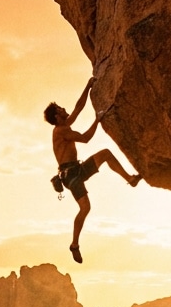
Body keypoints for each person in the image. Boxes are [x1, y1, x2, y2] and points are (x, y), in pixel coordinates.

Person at [45, 78, 141, 264]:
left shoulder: (64, 125)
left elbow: (78, 108)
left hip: (77, 169)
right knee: (85, 208)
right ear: (57, 116)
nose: (64, 110)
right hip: (70, 175)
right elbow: (85, 138)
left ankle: (130, 178)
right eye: (60, 109)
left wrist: (88, 87)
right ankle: (74, 245)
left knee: (105, 154)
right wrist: (97, 120)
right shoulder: (60, 132)